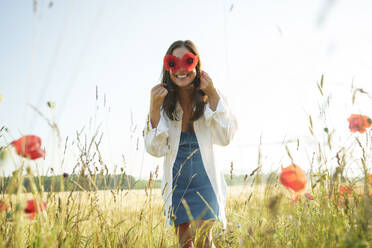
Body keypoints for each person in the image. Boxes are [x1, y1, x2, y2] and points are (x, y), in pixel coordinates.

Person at [144, 40, 237, 248]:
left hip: (206, 179)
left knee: (205, 241)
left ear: (197, 64)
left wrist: (212, 94)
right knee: (185, 244)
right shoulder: (163, 103)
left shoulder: (211, 96)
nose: (181, 69)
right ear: (167, 69)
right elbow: (155, 149)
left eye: (187, 61)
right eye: (173, 63)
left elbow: (226, 137)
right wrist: (153, 109)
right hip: (177, 181)